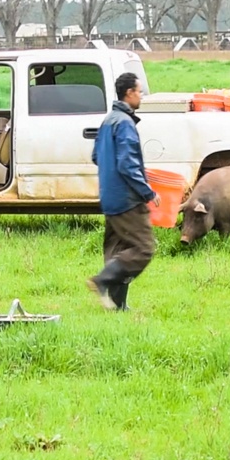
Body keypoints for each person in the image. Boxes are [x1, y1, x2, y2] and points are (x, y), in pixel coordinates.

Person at [87, 72, 160, 311]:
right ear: (129, 93)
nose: (141, 96)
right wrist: (148, 192)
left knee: (118, 250)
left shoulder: (109, 120)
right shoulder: (125, 123)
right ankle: (102, 281)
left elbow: (96, 156)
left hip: (108, 197)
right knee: (143, 248)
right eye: (139, 91)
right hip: (127, 199)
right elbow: (128, 165)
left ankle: (119, 305)